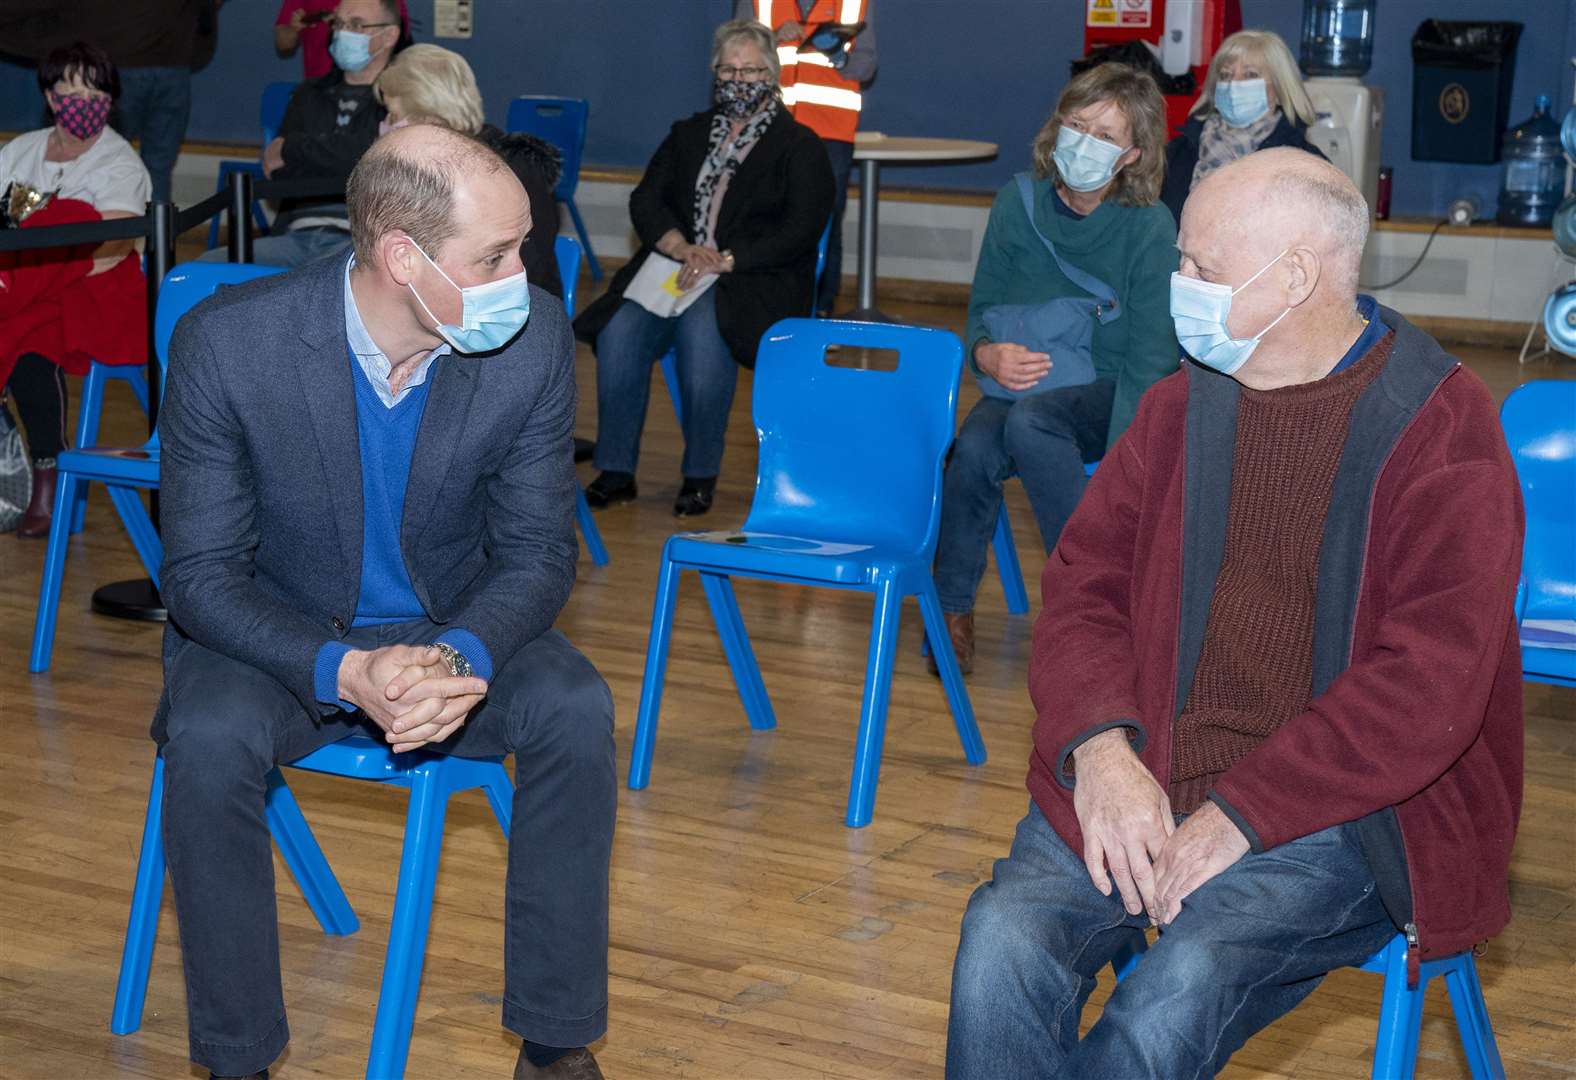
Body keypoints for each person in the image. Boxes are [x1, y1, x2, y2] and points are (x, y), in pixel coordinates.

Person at [944, 148, 1524, 1079]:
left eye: (1200, 270)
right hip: (1149, 764)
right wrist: (1101, 750)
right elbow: (1085, 584)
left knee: (1167, 1006)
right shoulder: (1181, 406)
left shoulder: (1441, 430)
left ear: (1295, 276)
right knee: (1001, 945)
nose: (1178, 288)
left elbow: (1430, 684)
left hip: (1339, 809)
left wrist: (1243, 814)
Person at [156, 124, 614, 1080]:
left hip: (450, 624)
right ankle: (236, 1058)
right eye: (495, 254)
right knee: (204, 738)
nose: (521, 274)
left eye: (521, 246)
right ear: (403, 257)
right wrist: (345, 669)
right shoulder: (231, 345)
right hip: (277, 635)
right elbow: (199, 578)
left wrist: (455, 655)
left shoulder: (530, 346)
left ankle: (558, 1042)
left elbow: (536, 556)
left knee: (575, 706)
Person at [930, 63, 1177, 675]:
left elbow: (1152, 362)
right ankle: (949, 610)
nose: (1084, 141)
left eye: (1105, 134)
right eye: (1077, 123)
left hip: (1109, 387)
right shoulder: (1018, 203)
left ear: (1131, 156)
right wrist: (985, 352)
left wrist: (1127, 472)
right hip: (1026, 379)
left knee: (1032, 423)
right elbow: (981, 310)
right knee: (973, 449)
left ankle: (1093, 599)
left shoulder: (1150, 228)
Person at [574, 19, 833, 518]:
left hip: (753, 278)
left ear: (772, 74)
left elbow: (802, 227)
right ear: (714, 74)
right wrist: (678, 245)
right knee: (620, 332)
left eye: (752, 70)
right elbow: (646, 199)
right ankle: (616, 469)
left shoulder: (799, 146)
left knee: (702, 330)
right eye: (729, 70)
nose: (739, 81)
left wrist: (727, 260)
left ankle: (698, 475)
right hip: (676, 267)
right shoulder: (687, 134)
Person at [0, 41, 150, 538]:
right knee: (24, 320)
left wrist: (31, 281)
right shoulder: (20, 151)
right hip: (25, 282)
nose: (82, 101)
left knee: (31, 338)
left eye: (96, 92)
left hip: (95, 289)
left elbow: (111, 245)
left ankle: (48, 472)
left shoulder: (119, 164)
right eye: (71, 89)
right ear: (49, 94)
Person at [201, 0, 401, 267]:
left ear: (389, 35)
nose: (343, 33)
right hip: (296, 236)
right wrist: (348, 156)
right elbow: (278, 172)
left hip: (363, 241)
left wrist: (292, 147)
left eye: (356, 25)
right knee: (203, 268)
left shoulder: (400, 97)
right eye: (338, 23)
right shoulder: (308, 94)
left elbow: (381, 165)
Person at [375, 43, 563, 299]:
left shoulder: (509, 171)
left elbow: (523, 273)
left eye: (392, 114)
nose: (386, 125)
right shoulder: (422, 167)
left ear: (428, 117)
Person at [736, 0, 875, 315]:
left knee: (825, 220)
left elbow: (867, 67)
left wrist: (838, 56)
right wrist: (771, 39)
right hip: (768, 126)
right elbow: (732, 52)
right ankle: (761, 307)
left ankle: (820, 310)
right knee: (762, 214)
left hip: (831, 133)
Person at [1160, 29, 1325, 224]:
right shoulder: (1177, 153)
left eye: (1250, 75)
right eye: (1225, 75)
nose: (1233, 84)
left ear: (1281, 89)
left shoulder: (1307, 165)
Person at [275, 0, 409, 79]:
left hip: (377, 87)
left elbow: (399, 41)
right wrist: (293, 29)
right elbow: (283, 43)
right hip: (321, 88)